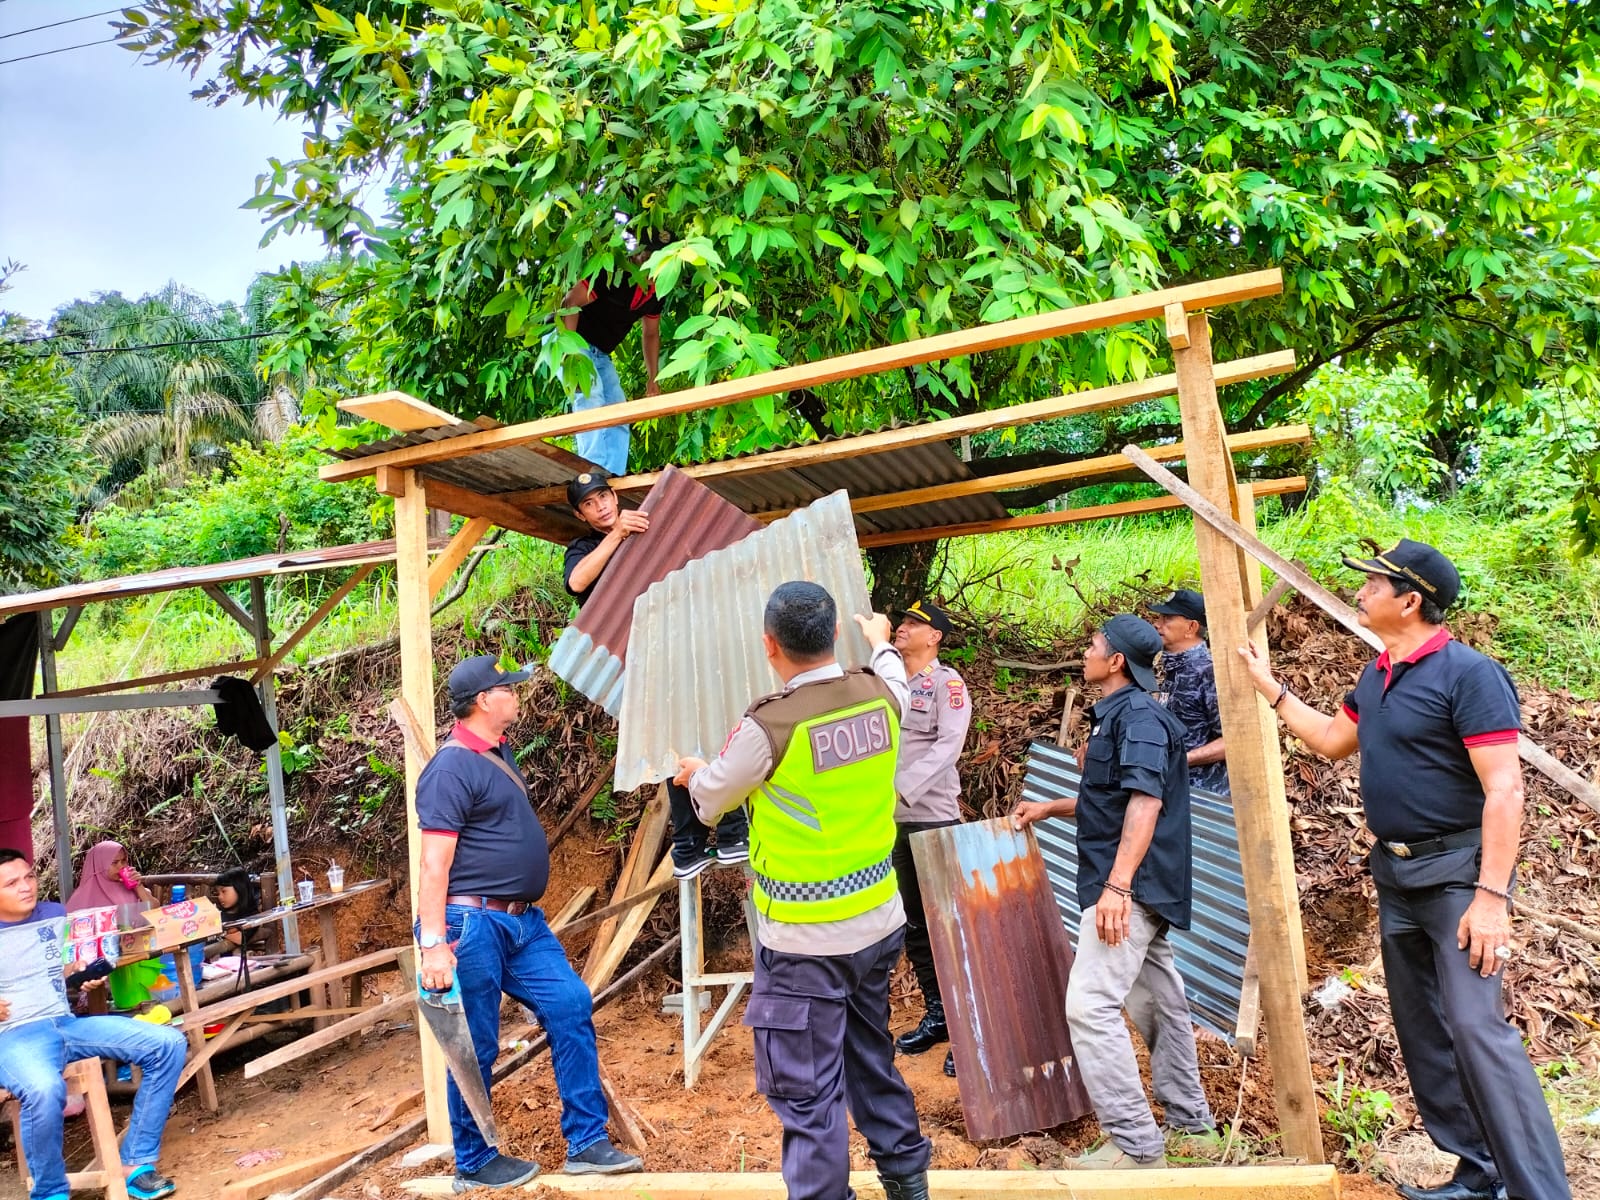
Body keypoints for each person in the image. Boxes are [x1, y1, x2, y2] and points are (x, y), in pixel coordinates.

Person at [1238, 539, 1568, 1200]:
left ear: (1409, 600)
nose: (1360, 593)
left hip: (1458, 881)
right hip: (1397, 878)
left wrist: (1491, 898)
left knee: (1478, 1030)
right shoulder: (1376, 675)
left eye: (1372, 584)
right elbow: (1333, 742)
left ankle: (1540, 1191)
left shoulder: (1468, 675)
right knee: (1426, 1033)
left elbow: (1504, 791)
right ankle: (1478, 1175)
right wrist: (1272, 691)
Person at [675, 582, 932, 1200]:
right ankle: (907, 1183)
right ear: (833, 635)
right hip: (877, 921)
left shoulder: (770, 724)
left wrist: (692, 773)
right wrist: (880, 640)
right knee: (870, 1056)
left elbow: (710, 800)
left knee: (808, 1092)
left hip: (803, 942)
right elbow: (895, 672)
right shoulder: (881, 694)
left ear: (770, 645)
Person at [415, 654, 642, 1191]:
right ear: (482, 702)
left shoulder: (496, 752)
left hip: (521, 923)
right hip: (471, 924)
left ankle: (587, 1143)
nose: (517, 694)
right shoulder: (450, 768)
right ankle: (473, 1163)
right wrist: (433, 945)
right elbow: (432, 865)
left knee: (570, 1004)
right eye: (508, 688)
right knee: (477, 1043)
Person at [1013, 614, 1214, 1170]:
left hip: (1131, 886)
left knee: (1090, 1006)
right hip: (1132, 884)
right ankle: (1192, 1126)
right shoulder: (1117, 717)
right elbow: (1114, 800)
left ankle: (1135, 1144)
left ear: (1117, 661)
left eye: (1094, 646)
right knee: (1159, 1003)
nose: (1086, 653)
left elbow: (1147, 804)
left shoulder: (1142, 719)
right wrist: (1051, 807)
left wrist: (1117, 888)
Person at [562, 470, 749, 878]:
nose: (601, 507)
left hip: (690, 653)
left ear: (614, 495)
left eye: (603, 497)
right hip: (640, 668)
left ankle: (734, 834)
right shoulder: (585, 547)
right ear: (582, 515)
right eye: (590, 505)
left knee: (718, 738)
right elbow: (577, 582)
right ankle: (689, 847)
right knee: (672, 753)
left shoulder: (653, 521)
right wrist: (616, 538)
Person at [0, 849, 186, 1200]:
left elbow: (63, 969)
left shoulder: (54, 914)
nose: (26, 887)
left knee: (167, 1044)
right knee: (43, 1089)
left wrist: (80, 975)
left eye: (29, 877)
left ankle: (135, 1162)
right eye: (12, 883)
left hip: (66, 1024)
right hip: (14, 1038)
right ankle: (50, 1192)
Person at [886, 601, 971, 1081]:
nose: (903, 627)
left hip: (931, 819)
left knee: (948, 928)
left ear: (934, 637)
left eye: (915, 623)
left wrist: (903, 786)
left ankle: (965, 1028)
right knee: (915, 926)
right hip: (892, 821)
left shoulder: (948, 685)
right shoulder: (891, 682)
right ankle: (939, 1015)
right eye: (904, 621)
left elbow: (947, 745)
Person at [557, 236, 667, 475]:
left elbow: (651, 334)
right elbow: (570, 302)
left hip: (600, 352)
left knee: (618, 411)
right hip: (568, 338)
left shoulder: (659, 290)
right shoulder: (615, 275)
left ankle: (612, 478)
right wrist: (569, 354)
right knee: (591, 395)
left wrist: (653, 379)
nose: (646, 261)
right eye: (644, 255)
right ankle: (589, 474)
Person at [1149, 589, 1229, 797]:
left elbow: (1233, 741)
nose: (1157, 624)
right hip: (1169, 789)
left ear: (1191, 627)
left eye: (1167, 618)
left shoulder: (1208, 671)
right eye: (1159, 617)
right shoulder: (1172, 668)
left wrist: (1183, 760)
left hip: (1204, 797)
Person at [66, 841, 155, 910]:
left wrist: (139, 887)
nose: (121, 866)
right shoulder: (82, 898)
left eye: (123, 860)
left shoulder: (130, 887)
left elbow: (155, 912)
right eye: (114, 862)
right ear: (99, 865)